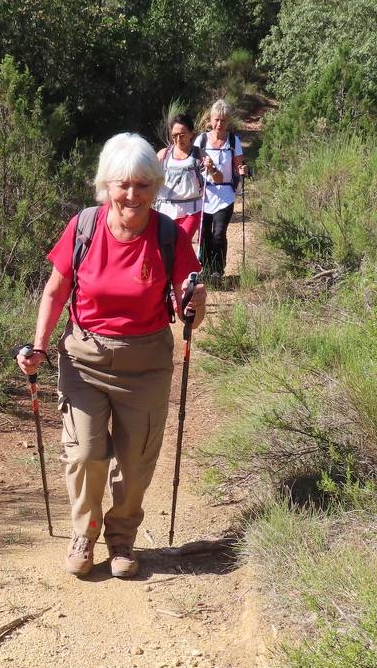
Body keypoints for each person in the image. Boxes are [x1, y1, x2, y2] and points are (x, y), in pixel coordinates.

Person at [17, 133, 207, 579]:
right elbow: (55, 290)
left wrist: (195, 300)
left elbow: (189, 315)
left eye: (143, 184)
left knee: (137, 460)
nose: (133, 195)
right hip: (84, 357)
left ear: (155, 186)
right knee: (84, 454)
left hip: (146, 363)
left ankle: (122, 538)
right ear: (107, 185)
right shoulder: (83, 226)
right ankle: (84, 532)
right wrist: (39, 347)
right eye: (123, 184)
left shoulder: (169, 235)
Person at [194, 100, 248, 279]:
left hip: (225, 194)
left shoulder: (233, 140)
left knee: (218, 233)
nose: (219, 124)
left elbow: (240, 165)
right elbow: (193, 164)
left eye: (223, 120)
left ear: (228, 121)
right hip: (205, 194)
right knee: (204, 234)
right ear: (210, 119)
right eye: (216, 120)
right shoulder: (201, 140)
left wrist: (243, 170)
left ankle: (217, 269)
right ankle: (205, 268)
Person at [155, 112, 215, 251]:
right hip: (166, 209)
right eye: (174, 135)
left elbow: (218, 178)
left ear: (191, 134)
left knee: (181, 241)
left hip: (192, 210)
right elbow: (149, 177)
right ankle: (180, 271)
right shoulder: (163, 154)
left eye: (182, 135)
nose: (178, 139)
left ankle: (186, 271)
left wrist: (212, 168)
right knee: (167, 245)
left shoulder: (200, 155)